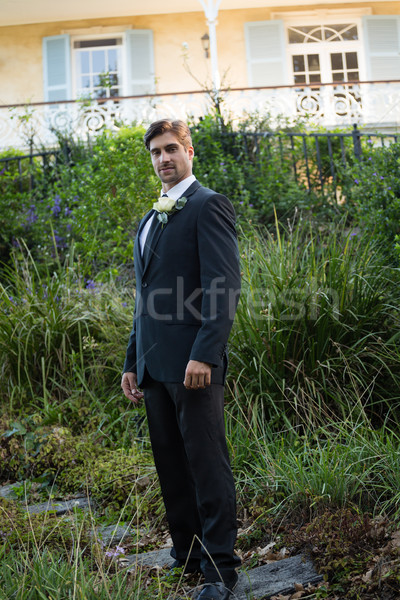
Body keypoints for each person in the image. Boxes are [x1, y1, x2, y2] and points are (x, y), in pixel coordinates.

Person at [121, 119, 241, 600]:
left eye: (172, 149)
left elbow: (224, 286)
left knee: (207, 465)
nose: (163, 158)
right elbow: (145, 298)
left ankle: (221, 571)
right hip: (154, 366)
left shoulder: (208, 206)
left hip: (195, 365)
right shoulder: (150, 218)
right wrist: (133, 361)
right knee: (171, 466)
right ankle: (188, 556)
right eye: (155, 152)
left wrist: (205, 355)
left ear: (189, 151)